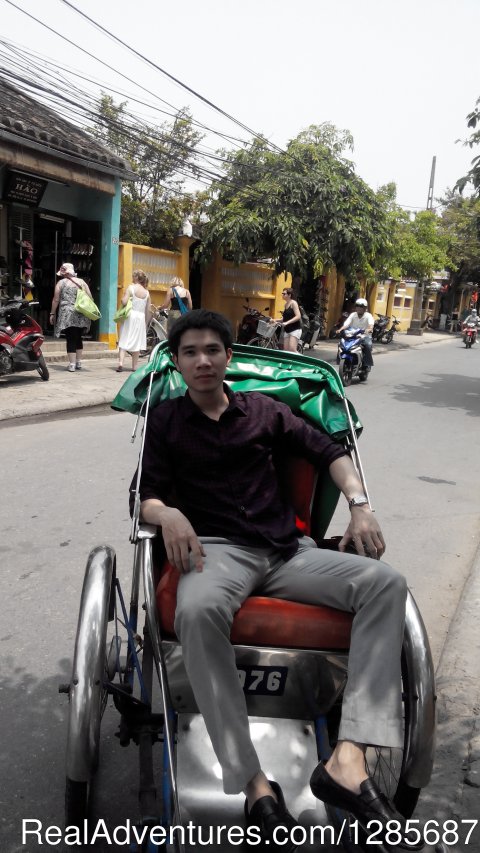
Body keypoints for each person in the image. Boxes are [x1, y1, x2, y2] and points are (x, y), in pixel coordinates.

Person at [134, 309, 420, 851]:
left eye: (212, 350)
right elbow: (142, 496)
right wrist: (166, 514)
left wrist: (360, 506)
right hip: (214, 554)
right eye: (190, 352)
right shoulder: (167, 421)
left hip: (286, 554)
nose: (202, 361)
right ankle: (253, 783)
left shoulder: (264, 411)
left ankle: (348, 757)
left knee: (386, 583)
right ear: (178, 362)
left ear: (228, 357)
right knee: (195, 611)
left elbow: (330, 452)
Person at [49, 262, 92, 372]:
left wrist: (52, 313)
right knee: (78, 337)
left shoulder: (61, 283)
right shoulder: (82, 282)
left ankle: (72, 364)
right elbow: (90, 297)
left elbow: (56, 299)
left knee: (70, 338)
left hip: (67, 314)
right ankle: (78, 362)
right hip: (81, 312)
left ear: (65, 272)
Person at [116, 269, 151, 372]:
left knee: (124, 338)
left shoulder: (131, 288)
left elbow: (124, 301)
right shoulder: (147, 293)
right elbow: (148, 310)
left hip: (130, 316)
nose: (132, 277)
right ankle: (134, 366)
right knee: (137, 342)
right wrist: (146, 322)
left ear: (136, 278)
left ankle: (120, 363)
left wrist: (123, 298)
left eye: (133, 276)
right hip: (140, 318)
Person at [336, 297, 375, 371]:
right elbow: (346, 324)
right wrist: (340, 329)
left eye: (361, 306)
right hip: (352, 336)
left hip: (364, 336)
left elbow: (371, 325)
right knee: (340, 344)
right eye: (357, 306)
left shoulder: (368, 316)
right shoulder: (353, 315)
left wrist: (369, 329)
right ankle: (339, 360)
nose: (359, 308)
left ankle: (366, 365)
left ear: (365, 308)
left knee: (367, 345)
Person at [279, 287, 302, 352]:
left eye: (284, 294)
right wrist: (275, 320)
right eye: (282, 293)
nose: (282, 295)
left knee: (292, 349)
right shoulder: (286, 305)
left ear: (289, 295)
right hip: (287, 330)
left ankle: (302, 361)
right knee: (286, 351)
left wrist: (287, 323)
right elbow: (284, 318)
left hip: (295, 329)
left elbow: (298, 316)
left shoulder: (293, 303)